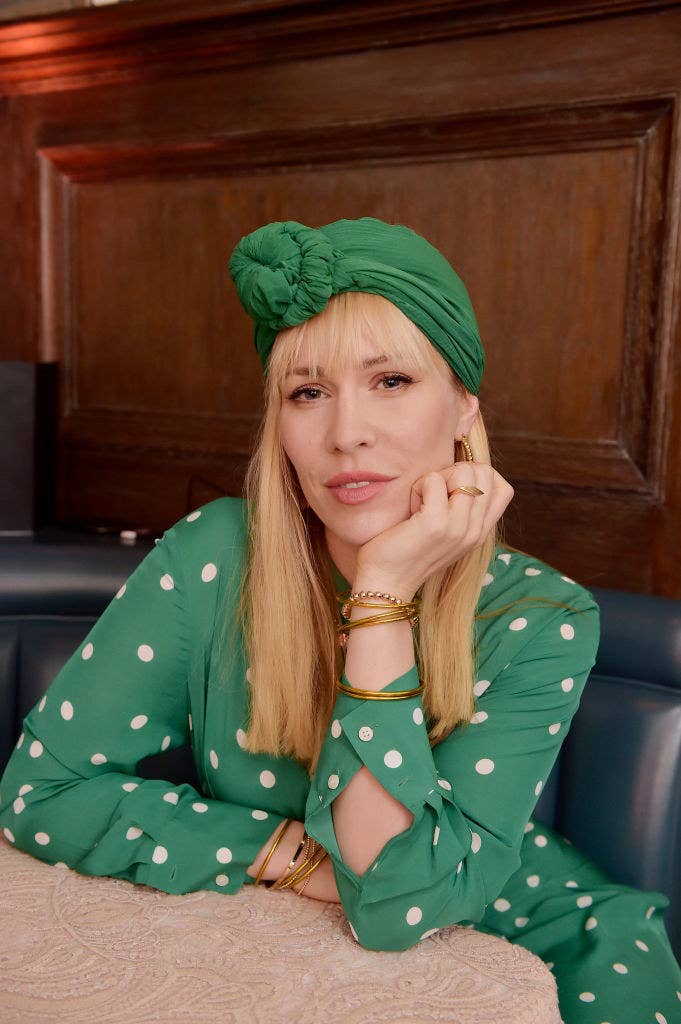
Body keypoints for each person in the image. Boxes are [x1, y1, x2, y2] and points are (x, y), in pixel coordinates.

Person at [0, 216, 679, 1023]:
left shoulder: (540, 617)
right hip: (290, 922)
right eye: (307, 393)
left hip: (533, 935)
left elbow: (396, 907)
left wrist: (382, 595)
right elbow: (40, 792)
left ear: (462, 405)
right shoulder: (217, 553)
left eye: (390, 381)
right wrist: (290, 854)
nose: (345, 433)